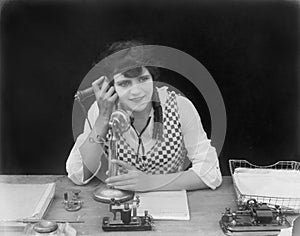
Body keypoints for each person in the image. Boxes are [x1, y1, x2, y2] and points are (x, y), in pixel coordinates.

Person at [66, 40, 222, 191]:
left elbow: (210, 173)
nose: (136, 91)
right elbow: (79, 174)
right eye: (125, 83)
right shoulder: (103, 110)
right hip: (121, 203)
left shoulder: (180, 107)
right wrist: (103, 118)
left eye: (143, 79)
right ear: (111, 87)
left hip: (169, 203)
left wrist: (150, 183)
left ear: (152, 78)